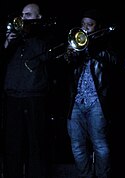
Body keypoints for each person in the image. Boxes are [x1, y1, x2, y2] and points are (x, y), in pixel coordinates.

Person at [1, 3, 54, 178]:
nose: (24, 18)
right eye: (22, 15)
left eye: (29, 15)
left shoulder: (45, 36)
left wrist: (30, 35)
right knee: (12, 147)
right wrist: (8, 42)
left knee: (36, 147)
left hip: (35, 97)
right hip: (12, 96)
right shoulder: (15, 37)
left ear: (38, 18)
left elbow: (47, 56)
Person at [65, 9, 118, 178]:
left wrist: (93, 47)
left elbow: (114, 61)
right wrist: (70, 54)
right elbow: (64, 70)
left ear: (97, 26)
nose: (85, 28)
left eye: (90, 25)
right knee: (77, 146)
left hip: (97, 102)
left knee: (101, 146)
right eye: (83, 24)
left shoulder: (106, 42)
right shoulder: (76, 44)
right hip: (76, 102)